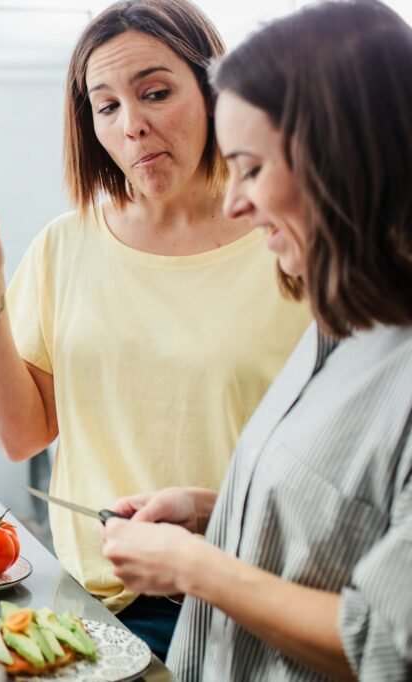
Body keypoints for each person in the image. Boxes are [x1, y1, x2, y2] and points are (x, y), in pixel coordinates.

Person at [0, 0, 309, 660]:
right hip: (94, 607)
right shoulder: (65, 243)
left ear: (216, 91)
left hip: (251, 602)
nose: (132, 125)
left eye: (156, 92)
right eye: (105, 106)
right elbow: (23, 435)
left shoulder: (288, 241)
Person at [100, 1, 412, 678]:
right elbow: (343, 528)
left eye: (250, 167)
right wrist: (212, 513)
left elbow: (385, 643)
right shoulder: (343, 322)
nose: (236, 204)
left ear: (341, 158)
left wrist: (196, 569)